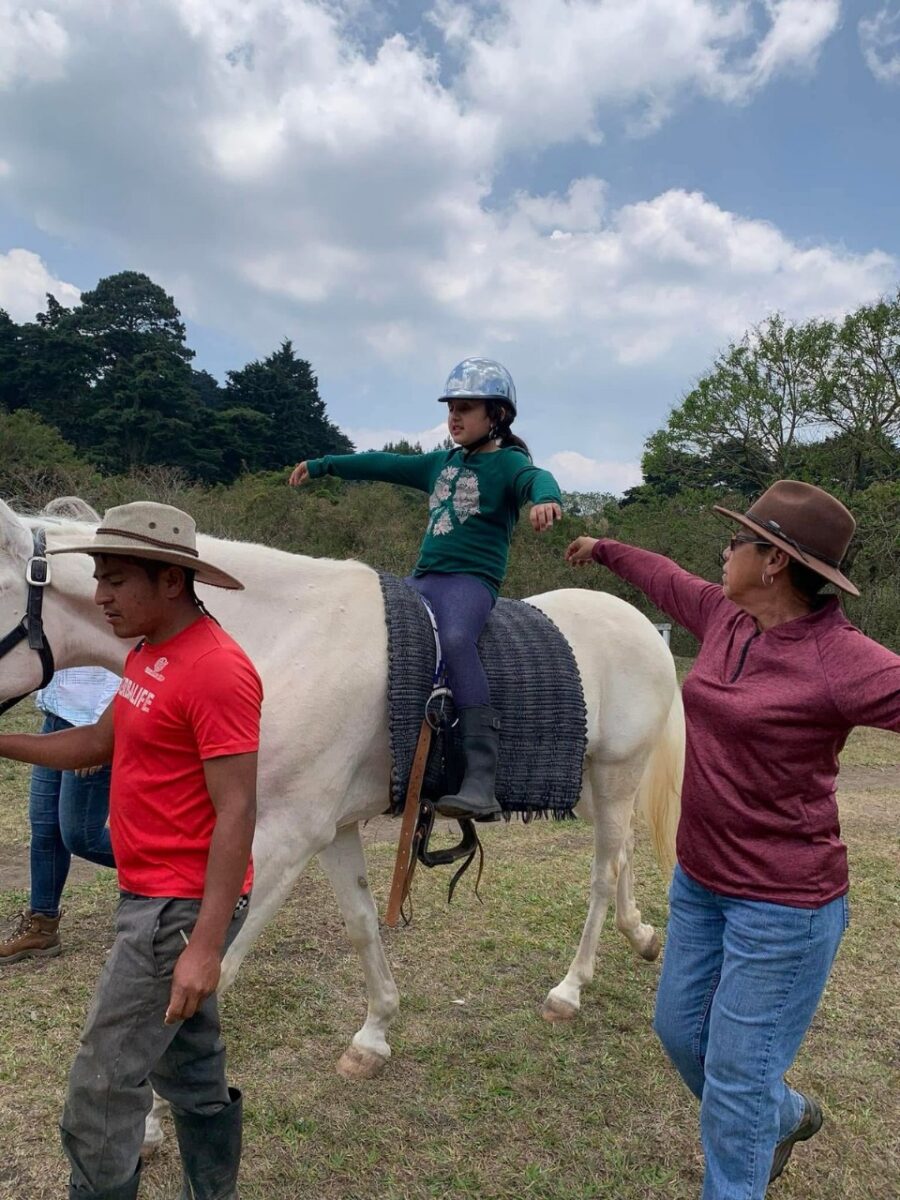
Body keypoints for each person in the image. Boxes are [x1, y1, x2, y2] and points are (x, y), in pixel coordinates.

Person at [565, 480, 900, 1199]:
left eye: (738, 541)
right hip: (702, 884)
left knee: (736, 1082)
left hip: (783, 907)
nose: (724, 551)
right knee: (682, 1036)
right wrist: (603, 549)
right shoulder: (723, 615)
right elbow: (665, 576)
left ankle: (754, 1125)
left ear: (775, 561)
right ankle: (784, 1115)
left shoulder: (843, 660)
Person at [0, 501, 262, 1200]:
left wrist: (204, 946)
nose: (101, 596)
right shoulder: (150, 653)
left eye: (116, 579)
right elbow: (97, 742)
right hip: (151, 894)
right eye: (98, 577)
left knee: (101, 1091)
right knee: (189, 1066)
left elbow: (239, 810)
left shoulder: (217, 670)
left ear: (172, 580)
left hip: (173, 908)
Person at [289, 357, 563, 820]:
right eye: (451, 407)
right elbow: (384, 464)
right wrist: (324, 465)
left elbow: (535, 478)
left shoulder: (510, 463)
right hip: (421, 579)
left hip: (469, 583)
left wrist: (546, 499)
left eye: (466, 407)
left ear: (495, 415)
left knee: (456, 640)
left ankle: (481, 777)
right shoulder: (440, 462)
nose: (454, 416)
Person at [0, 666, 119, 965]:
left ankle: (178, 872)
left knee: (81, 835)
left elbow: (121, 668)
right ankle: (42, 926)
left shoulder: (107, 619)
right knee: (44, 827)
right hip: (55, 719)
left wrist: (99, 734)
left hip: (91, 727)